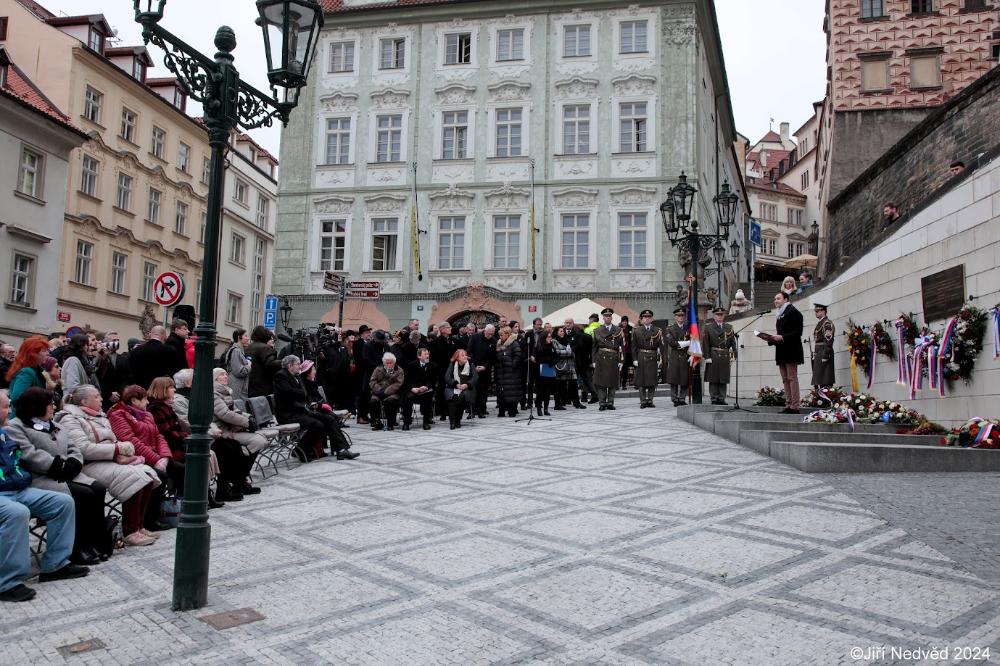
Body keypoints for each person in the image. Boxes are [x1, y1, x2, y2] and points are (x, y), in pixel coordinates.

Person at [0, 389, 88, 603]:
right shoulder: (14, 427)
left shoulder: (3, 431)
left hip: (17, 489)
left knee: (63, 502)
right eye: (5, 407)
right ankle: (8, 582)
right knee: (17, 513)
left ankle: (55, 565)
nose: (10, 410)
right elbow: (31, 455)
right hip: (4, 494)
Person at [6, 388, 108, 566]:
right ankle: (77, 547)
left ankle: (95, 542)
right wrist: (58, 465)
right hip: (41, 478)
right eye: (49, 404)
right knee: (83, 495)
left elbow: (73, 447)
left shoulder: (55, 425)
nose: (53, 407)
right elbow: (29, 454)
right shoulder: (16, 426)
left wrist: (74, 463)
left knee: (98, 488)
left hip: (66, 473)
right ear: (37, 407)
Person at [54, 385, 161, 547]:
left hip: (108, 459)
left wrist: (121, 452)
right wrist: (116, 449)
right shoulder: (70, 419)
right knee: (133, 477)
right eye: (96, 396)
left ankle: (139, 525)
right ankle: (130, 530)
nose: (101, 399)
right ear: (84, 401)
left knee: (147, 473)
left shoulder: (100, 416)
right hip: (88, 464)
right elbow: (83, 449)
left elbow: (113, 440)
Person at [108, 385, 178, 531]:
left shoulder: (147, 415)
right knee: (158, 475)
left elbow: (159, 436)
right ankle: (148, 520)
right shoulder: (118, 414)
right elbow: (130, 440)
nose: (147, 402)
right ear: (134, 400)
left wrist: (164, 456)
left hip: (154, 456)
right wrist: (155, 459)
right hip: (136, 457)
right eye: (145, 399)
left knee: (178, 467)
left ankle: (175, 508)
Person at [273, 355, 358, 461]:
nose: (299, 366)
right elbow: (289, 394)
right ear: (290, 365)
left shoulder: (296, 376)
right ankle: (300, 449)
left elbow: (303, 394)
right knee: (318, 425)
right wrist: (302, 395)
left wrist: (307, 401)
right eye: (298, 364)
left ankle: (341, 450)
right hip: (288, 413)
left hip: (300, 410)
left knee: (329, 418)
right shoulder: (281, 375)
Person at [213, 368, 269, 495]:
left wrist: (248, 417)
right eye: (222, 375)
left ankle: (240, 478)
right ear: (215, 378)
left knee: (260, 440)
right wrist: (246, 422)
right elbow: (224, 414)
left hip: (233, 428)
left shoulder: (224, 392)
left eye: (226, 374)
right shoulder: (214, 393)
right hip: (222, 432)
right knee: (257, 440)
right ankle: (239, 479)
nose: (226, 376)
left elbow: (235, 410)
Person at [146, 378, 189, 494]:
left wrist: (184, 435)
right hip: (169, 449)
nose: (174, 390)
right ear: (163, 389)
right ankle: (185, 498)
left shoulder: (165, 407)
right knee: (192, 461)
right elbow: (167, 433)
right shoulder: (156, 409)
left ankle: (201, 494)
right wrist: (185, 436)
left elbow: (177, 429)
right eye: (171, 387)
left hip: (175, 445)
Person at [765, 291, 804, 413]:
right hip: (782, 351)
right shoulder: (780, 314)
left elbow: (797, 333)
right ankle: (788, 404)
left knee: (792, 378)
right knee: (785, 379)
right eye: (775, 299)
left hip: (791, 350)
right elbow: (781, 333)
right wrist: (770, 339)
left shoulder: (793, 312)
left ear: (786, 299)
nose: (775, 300)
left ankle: (795, 406)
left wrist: (781, 337)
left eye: (778, 298)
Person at [6, 337, 49, 420]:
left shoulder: (34, 370)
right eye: (44, 351)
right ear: (32, 353)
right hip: (24, 421)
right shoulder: (27, 372)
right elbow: (17, 398)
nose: (47, 353)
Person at [701, 307, 737, 405]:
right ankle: (714, 398)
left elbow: (733, 342)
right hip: (713, 354)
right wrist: (707, 356)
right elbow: (705, 343)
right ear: (714, 316)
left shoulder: (729, 327)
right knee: (713, 378)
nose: (720, 316)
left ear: (724, 316)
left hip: (725, 355)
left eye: (721, 314)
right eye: (718, 314)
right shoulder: (708, 327)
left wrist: (734, 354)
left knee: (723, 378)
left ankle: (721, 398)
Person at [591, 308, 624, 411]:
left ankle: (610, 402)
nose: (608, 317)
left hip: (613, 357)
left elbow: (622, 347)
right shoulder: (597, 330)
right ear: (603, 318)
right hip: (601, 357)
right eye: (606, 316)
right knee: (601, 382)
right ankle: (602, 403)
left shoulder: (618, 330)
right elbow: (594, 347)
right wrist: (593, 361)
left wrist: (621, 360)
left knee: (612, 381)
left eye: (609, 316)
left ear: (611, 317)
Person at [632, 309, 663, 408]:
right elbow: (634, 347)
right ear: (641, 319)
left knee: (652, 380)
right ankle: (643, 401)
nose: (647, 319)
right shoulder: (637, 331)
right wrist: (635, 359)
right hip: (641, 356)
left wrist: (661, 359)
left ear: (651, 319)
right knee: (642, 381)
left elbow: (661, 346)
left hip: (653, 356)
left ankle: (650, 400)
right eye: (645, 317)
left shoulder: (657, 330)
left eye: (649, 317)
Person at [428, 322, 458, 422]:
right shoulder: (435, 343)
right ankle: (442, 412)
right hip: (441, 370)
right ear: (442, 330)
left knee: (452, 389)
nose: (450, 329)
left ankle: (451, 411)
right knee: (441, 391)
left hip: (453, 369)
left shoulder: (454, 340)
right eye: (448, 327)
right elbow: (433, 359)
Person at [467, 324, 497, 418]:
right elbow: (469, 351)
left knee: (483, 391)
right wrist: (474, 365)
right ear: (485, 331)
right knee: (472, 390)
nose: (490, 336)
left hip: (485, 370)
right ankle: (472, 410)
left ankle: (481, 410)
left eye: (492, 334)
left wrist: (485, 367)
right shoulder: (475, 337)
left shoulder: (493, 340)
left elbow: (492, 358)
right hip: (473, 368)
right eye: (489, 334)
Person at [402, 347, 437, 431]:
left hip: (425, 389)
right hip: (413, 389)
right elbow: (407, 379)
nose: (427, 356)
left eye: (428, 354)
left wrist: (426, 387)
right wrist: (413, 388)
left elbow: (433, 380)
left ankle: (426, 422)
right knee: (408, 398)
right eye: (425, 354)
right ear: (419, 356)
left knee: (427, 397)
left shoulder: (433, 365)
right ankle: (406, 422)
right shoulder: (411, 365)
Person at [369, 352, 404, 431]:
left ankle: (390, 423)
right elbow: (372, 381)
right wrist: (379, 390)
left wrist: (386, 392)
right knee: (373, 402)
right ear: (384, 362)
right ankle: (377, 422)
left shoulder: (399, 370)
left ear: (394, 362)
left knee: (390, 401)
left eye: (390, 363)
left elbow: (398, 384)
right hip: (378, 392)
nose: (389, 364)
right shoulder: (378, 369)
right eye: (387, 363)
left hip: (393, 393)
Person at [565, 318, 597, 404]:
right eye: (566, 323)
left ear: (573, 324)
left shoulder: (577, 335)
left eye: (569, 323)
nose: (568, 324)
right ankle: (593, 395)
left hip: (578, 361)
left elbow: (579, 346)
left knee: (580, 379)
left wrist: (571, 348)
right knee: (583, 379)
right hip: (579, 361)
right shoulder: (566, 333)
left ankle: (593, 395)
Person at [443, 349, 477, 430]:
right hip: (454, 387)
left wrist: (467, 384)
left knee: (462, 397)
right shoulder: (452, 364)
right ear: (457, 358)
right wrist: (456, 384)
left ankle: (458, 420)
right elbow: (447, 377)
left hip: (467, 388)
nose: (465, 356)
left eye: (465, 355)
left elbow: (475, 377)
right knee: (453, 398)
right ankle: (452, 421)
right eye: (463, 355)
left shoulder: (470, 364)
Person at [95, 331, 129, 410]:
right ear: (105, 342)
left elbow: (127, 377)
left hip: (118, 397)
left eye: (118, 340)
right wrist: (109, 394)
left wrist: (120, 392)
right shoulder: (99, 357)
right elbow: (98, 377)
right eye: (114, 340)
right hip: (103, 396)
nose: (117, 342)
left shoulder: (123, 359)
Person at [494, 326, 523, 417]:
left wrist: (512, 365)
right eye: (499, 335)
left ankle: (512, 411)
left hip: (512, 374)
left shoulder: (514, 343)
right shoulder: (499, 344)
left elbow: (518, 356)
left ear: (507, 334)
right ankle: (501, 411)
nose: (500, 337)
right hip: (501, 373)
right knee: (501, 393)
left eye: (501, 335)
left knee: (512, 393)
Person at [665, 308, 691, 406]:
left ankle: (682, 398)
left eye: (682, 315)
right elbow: (672, 343)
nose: (681, 317)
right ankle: (675, 399)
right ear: (675, 317)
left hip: (685, 355)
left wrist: (689, 346)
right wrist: (686, 343)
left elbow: (693, 341)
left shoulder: (688, 328)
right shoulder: (670, 328)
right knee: (674, 379)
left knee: (684, 379)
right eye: (679, 316)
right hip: (675, 354)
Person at [247, 326, 281, 398]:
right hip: (264, 386)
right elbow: (271, 365)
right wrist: (283, 362)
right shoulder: (265, 348)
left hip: (251, 385)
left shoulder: (248, 347)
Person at [552, 326, 580, 410]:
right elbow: (557, 352)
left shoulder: (567, 341)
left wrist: (569, 353)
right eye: (560, 331)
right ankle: (558, 404)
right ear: (556, 332)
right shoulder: (554, 341)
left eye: (563, 331)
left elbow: (573, 353)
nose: (562, 332)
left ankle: (577, 403)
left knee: (574, 385)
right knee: (559, 386)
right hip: (561, 366)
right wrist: (568, 353)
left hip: (570, 366)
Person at [810, 302, 836, 389]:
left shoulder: (827, 324)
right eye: (815, 311)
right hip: (819, 352)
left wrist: (825, 355)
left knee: (825, 380)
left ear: (823, 311)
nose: (816, 313)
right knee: (820, 379)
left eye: (817, 311)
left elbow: (828, 340)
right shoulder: (821, 323)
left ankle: (826, 399)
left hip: (824, 352)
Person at [225, 329, 252, 404]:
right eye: (245, 336)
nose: (248, 338)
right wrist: (249, 365)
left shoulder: (238, 350)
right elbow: (238, 372)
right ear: (239, 337)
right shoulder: (236, 351)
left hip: (238, 386)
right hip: (237, 387)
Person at [523, 318, 544, 411]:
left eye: (540, 324)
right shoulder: (529, 333)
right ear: (534, 325)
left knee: (540, 383)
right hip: (531, 361)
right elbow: (526, 347)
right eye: (538, 324)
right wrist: (530, 356)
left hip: (540, 361)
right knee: (530, 383)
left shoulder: (543, 334)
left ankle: (538, 402)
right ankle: (529, 402)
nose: (539, 326)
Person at [618, 315, 634, 390]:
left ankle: (625, 383)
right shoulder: (618, 329)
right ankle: (619, 383)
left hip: (628, 351)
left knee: (626, 367)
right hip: (620, 352)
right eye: (623, 321)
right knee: (621, 367)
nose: (624, 322)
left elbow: (633, 340)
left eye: (626, 321)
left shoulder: (630, 329)